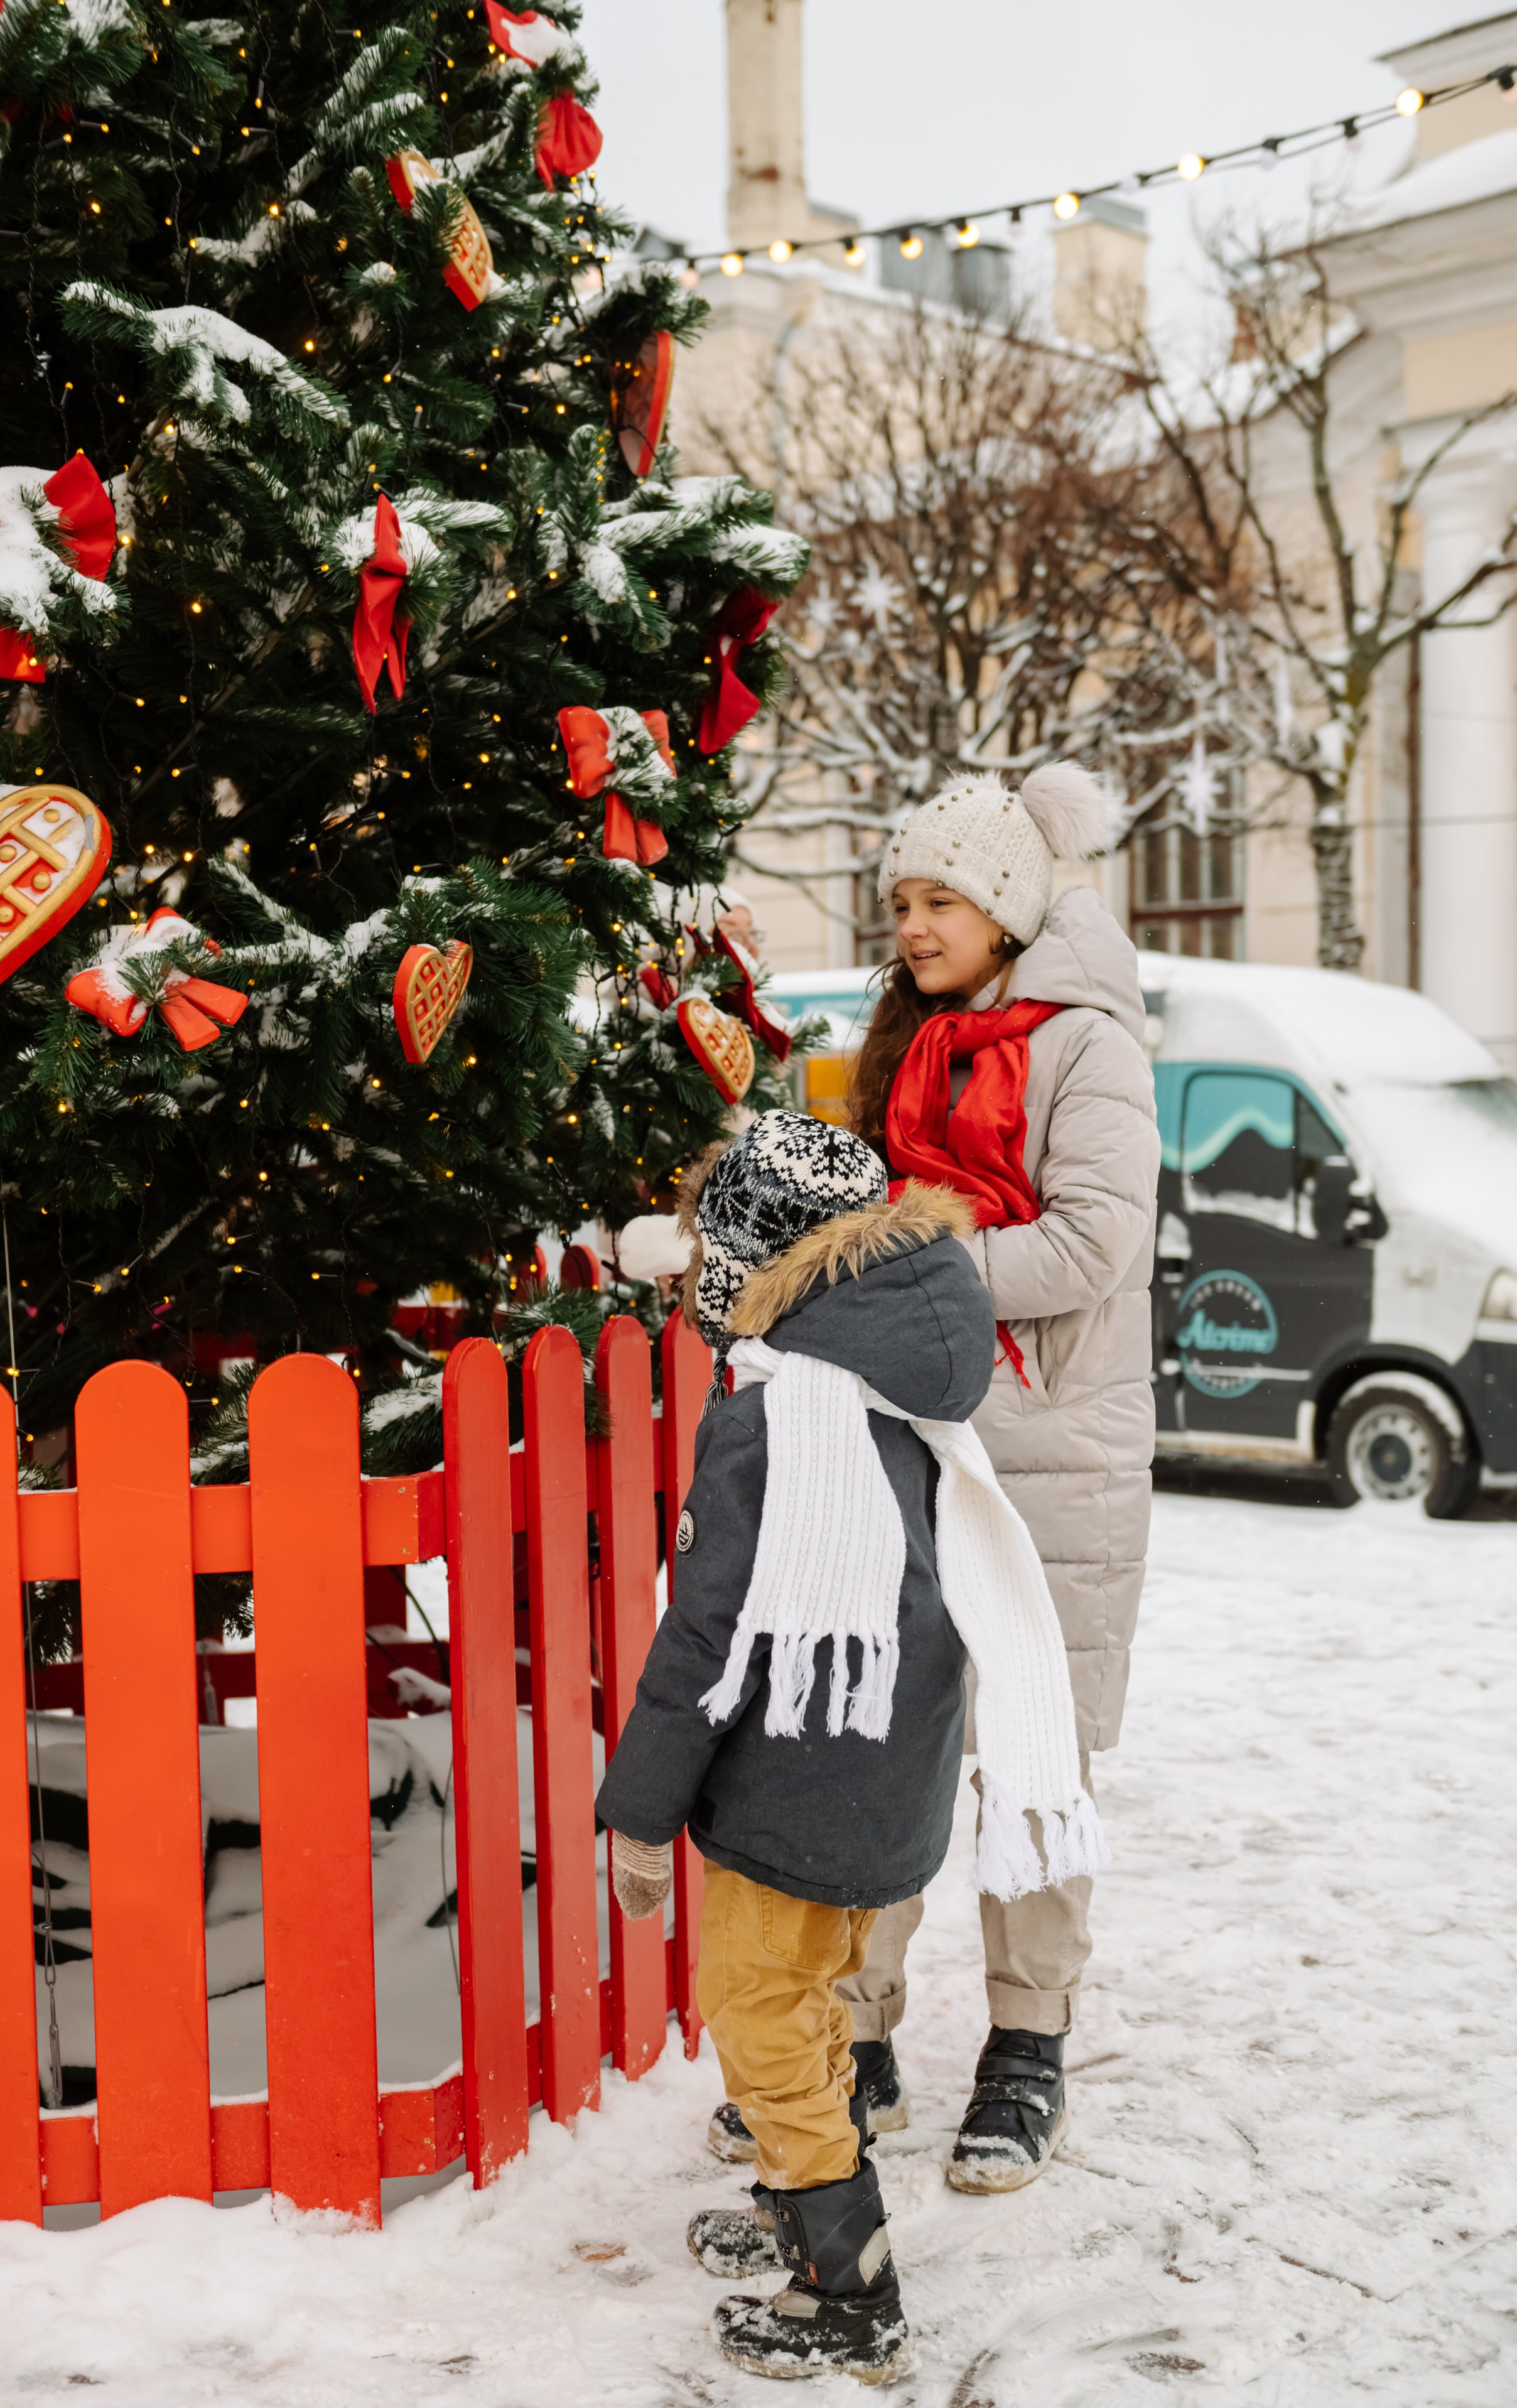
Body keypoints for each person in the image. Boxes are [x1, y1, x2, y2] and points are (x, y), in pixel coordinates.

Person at [706, 763, 1159, 2198]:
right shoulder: (901, 1043)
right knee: (881, 1738)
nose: (910, 922)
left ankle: (1027, 2044)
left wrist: (902, 1265)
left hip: (1054, 1446)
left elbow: (1090, 1249)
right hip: (911, 1435)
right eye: (898, 899)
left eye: (938, 898)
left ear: (1007, 906)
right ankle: (863, 2033)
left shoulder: (1088, 1049)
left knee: (1032, 1752)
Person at [596, 1111, 1102, 2382]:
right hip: (889, 1778)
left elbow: (705, 1634)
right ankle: (796, 2193)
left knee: (758, 2012)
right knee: (814, 2002)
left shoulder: (778, 1414)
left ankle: (844, 2280)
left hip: (793, 1783)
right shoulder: (895, 1384)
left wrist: (642, 1810)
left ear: (757, 1260)